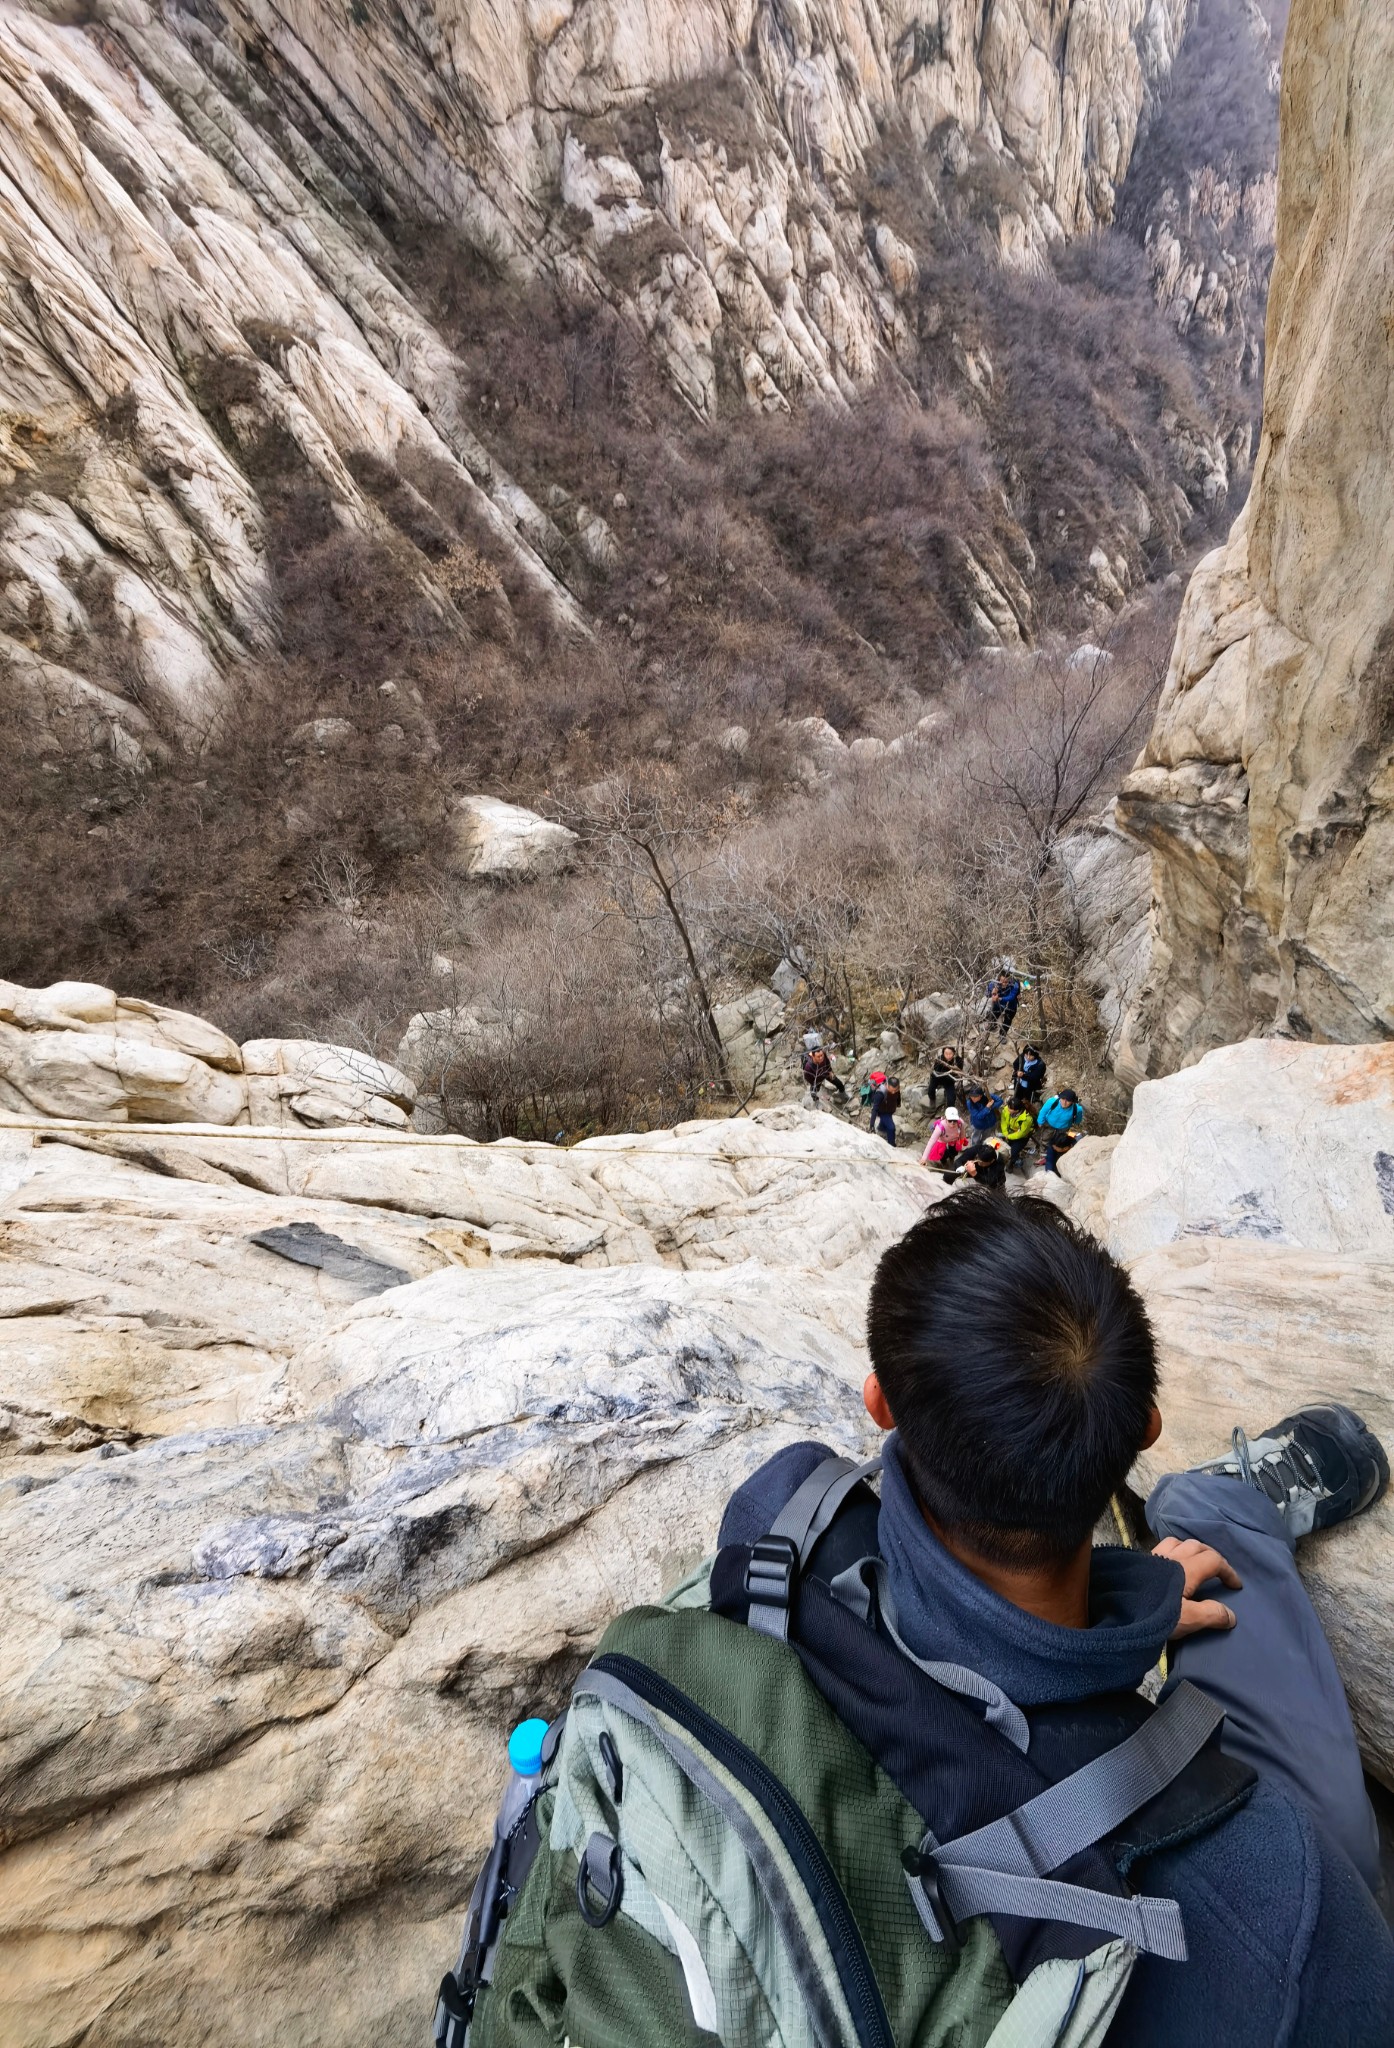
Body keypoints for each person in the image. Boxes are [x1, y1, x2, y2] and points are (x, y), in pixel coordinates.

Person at [445, 1197, 1394, 2048]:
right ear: (1144, 1429)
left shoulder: (780, 1532)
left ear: (879, 1402)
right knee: (1331, 1813)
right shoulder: (1280, 1896)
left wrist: (1128, 1616)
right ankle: (1225, 1510)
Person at [1036, 1086, 1084, 1172]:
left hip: (1063, 1128)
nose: (1064, 1102)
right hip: (1049, 1124)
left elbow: (1077, 1120)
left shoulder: (1077, 1109)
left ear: (1072, 1102)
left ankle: (1055, 1156)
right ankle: (1043, 1157)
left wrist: (1075, 1122)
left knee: (1058, 1142)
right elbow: (1043, 1111)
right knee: (1045, 1140)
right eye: (1063, 1099)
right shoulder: (1052, 1102)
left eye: (1067, 1101)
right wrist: (1040, 1121)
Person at [801, 1043, 846, 1108]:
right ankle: (816, 1102)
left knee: (839, 1083)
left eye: (821, 1055)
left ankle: (843, 1094)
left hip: (826, 1072)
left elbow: (827, 1063)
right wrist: (815, 1083)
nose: (821, 1058)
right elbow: (807, 1078)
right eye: (818, 1057)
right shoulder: (808, 1067)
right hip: (816, 1079)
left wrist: (830, 1071)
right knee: (814, 1091)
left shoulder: (823, 1054)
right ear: (813, 1056)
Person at [926, 1043, 963, 1115]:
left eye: (950, 1054)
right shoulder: (939, 1059)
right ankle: (932, 1099)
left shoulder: (958, 1060)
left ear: (954, 1053)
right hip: (937, 1078)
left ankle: (949, 1113)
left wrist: (949, 1074)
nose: (948, 1056)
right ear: (943, 1053)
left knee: (951, 1099)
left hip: (949, 1081)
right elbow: (935, 1073)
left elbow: (957, 1074)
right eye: (946, 1054)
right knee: (931, 1089)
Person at [998, 1096, 1035, 1167]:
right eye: (1008, 1106)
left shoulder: (1026, 1119)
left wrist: (1008, 1136)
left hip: (1022, 1137)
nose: (1008, 1109)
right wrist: (1005, 1133)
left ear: (1017, 1110)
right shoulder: (1006, 1109)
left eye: (1010, 1108)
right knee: (1009, 1147)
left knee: (1013, 1151)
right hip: (1010, 1132)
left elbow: (1021, 1133)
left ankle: (1014, 1163)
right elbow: (1004, 1122)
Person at [869, 1071, 900, 1147]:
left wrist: (898, 1103)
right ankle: (891, 1145)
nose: (893, 1092)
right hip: (882, 1110)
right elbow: (875, 1109)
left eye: (895, 1090)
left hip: (889, 1108)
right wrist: (871, 1125)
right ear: (887, 1085)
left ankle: (881, 1128)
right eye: (891, 1090)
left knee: (886, 1120)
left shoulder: (895, 1088)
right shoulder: (880, 1093)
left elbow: (897, 1096)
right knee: (891, 1128)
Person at [987, 969, 1021, 1037]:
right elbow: (988, 991)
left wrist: (1000, 999)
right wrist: (992, 992)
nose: (1004, 984)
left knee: (1007, 1021)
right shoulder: (994, 983)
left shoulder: (1015, 984)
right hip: (998, 1004)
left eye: (1006, 982)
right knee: (994, 1015)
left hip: (1011, 1005)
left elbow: (1011, 997)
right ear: (999, 979)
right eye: (1002, 981)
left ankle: (1002, 1035)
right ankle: (992, 1026)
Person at [1011, 1043, 1047, 1107]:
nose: (1028, 1057)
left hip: (1030, 1086)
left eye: (1030, 1055)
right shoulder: (1022, 1056)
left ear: (1035, 1055)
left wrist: (1023, 1075)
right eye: (1026, 1054)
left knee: (1027, 1100)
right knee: (1017, 1096)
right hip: (1019, 1083)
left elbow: (1035, 1077)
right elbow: (1015, 1064)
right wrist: (1017, 1072)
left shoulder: (1040, 1065)